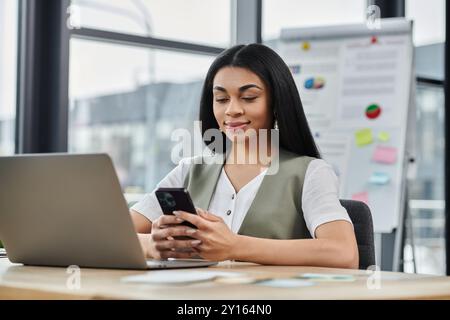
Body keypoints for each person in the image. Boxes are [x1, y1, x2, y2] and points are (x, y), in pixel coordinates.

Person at [130, 44, 359, 269]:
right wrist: (153, 245)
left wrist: (234, 246)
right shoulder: (189, 170)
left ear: (277, 102)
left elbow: (344, 253)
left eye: (249, 97)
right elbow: (113, 235)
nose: (232, 110)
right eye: (221, 99)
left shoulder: (310, 172)